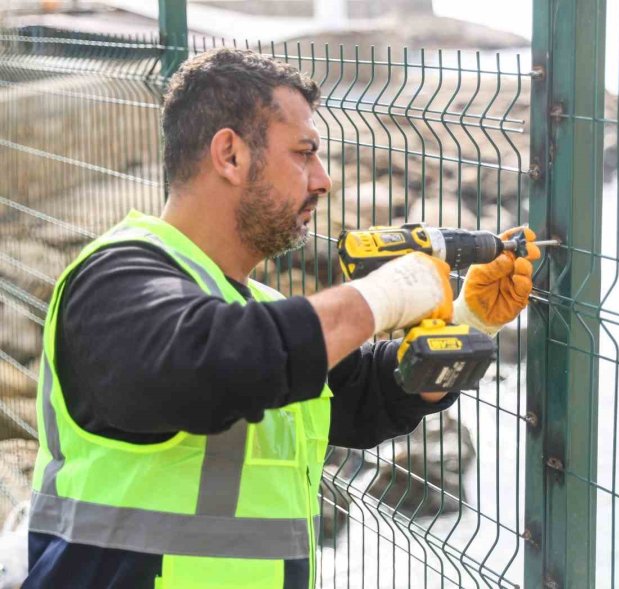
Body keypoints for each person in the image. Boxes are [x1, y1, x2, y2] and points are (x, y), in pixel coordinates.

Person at [23, 48, 539, 589]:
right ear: (230, 155)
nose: (323, 180)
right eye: (304, 153)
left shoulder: (257, 306)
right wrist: (380, 297)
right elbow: (206, 363)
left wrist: (468, 321)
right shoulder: (116, 279)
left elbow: (365, 396)